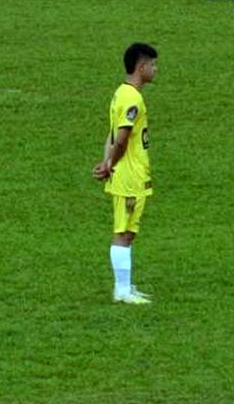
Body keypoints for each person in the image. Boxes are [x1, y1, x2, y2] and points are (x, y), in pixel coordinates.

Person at [92, 43, 159, 305]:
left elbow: (111, 133)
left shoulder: (121, 93)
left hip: (127, 171)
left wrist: (106, 161)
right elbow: (121, 138)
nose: (155, 70)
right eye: (153, 65)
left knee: (128, 231)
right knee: (123, 232)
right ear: (141, 67)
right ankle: (121, 291)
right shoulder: (132, 99)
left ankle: (126, 287)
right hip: (130, 176)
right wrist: (111, 163)